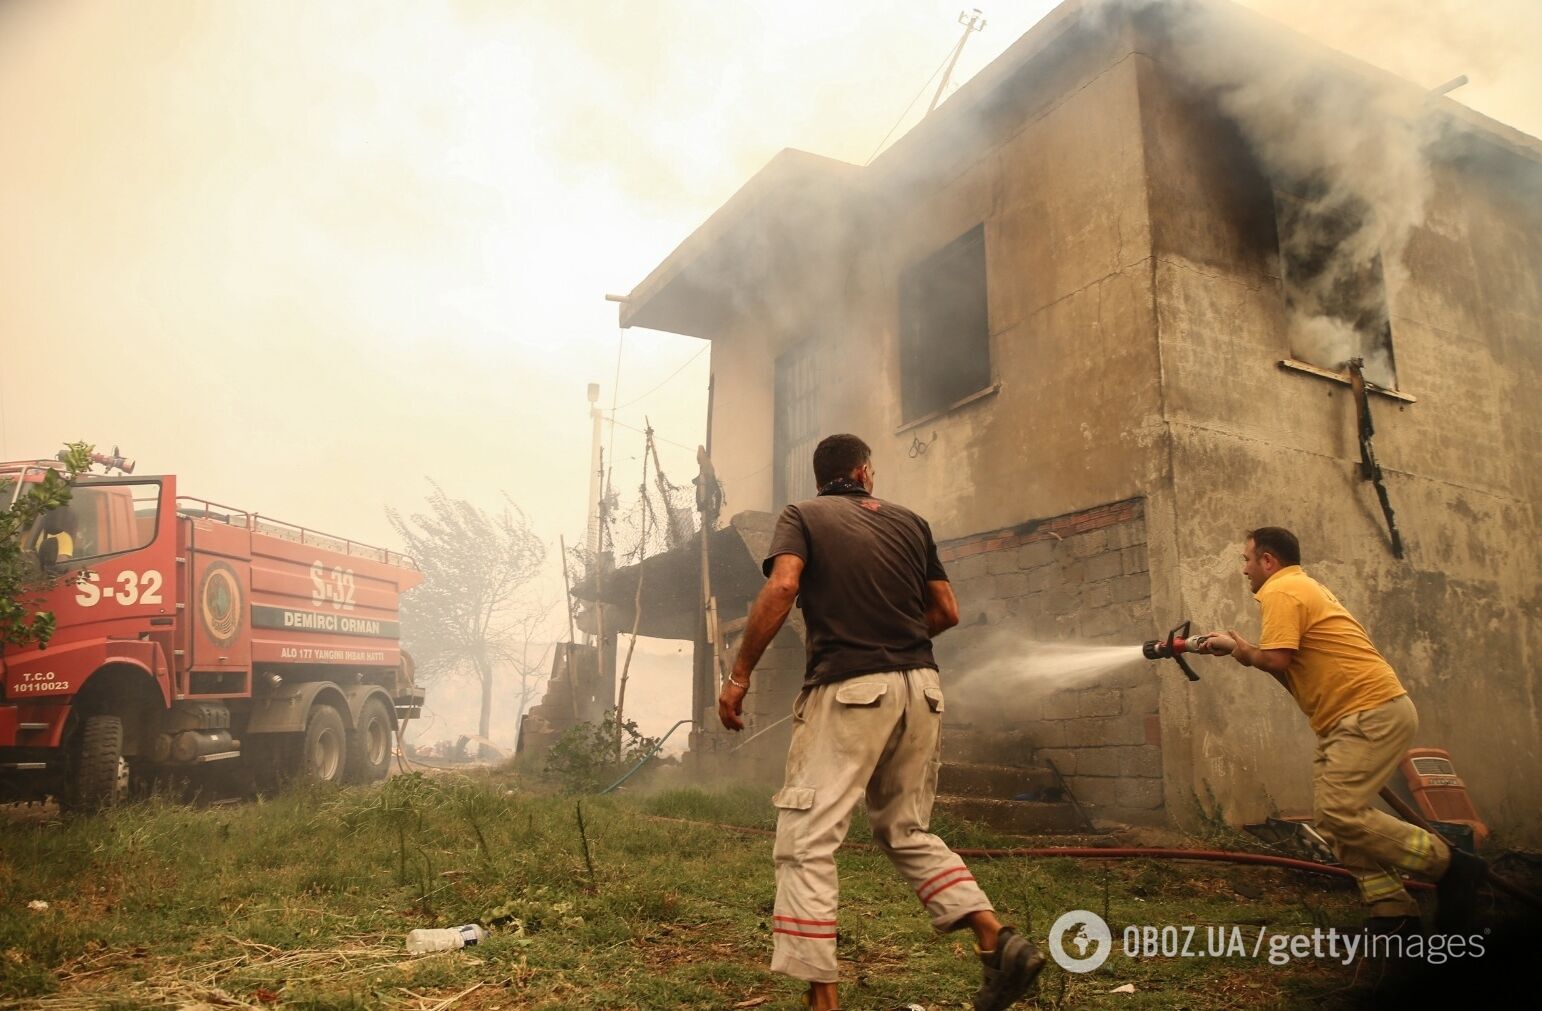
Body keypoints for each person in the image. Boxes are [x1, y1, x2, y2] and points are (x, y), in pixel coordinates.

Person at [717, 434, 1044, 1011]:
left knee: (807, 841)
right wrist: (896, 636)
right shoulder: (912, 523)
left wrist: (740, 674)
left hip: (850, 689)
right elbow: (946, 612)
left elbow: (785, 584)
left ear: (823, 478)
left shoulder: (803, 514)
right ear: (865, 473)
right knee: (905, 829)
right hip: (922, 688)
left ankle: (824, 1001)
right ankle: (995, 940)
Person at [1200, 527, 1487, 934]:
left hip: (1368, 711)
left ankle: (1452, 866)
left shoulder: (1282, 591)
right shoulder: (1301, 587)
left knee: (1339, 813)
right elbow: (1290, 669)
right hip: (1354, 715)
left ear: (1268, 561)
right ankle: (1392, 913)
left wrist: (1240, 651)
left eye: (1246, 559)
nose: (1244, 569)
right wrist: (1243, 650)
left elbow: (1278, 660)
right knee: (1337, 819)